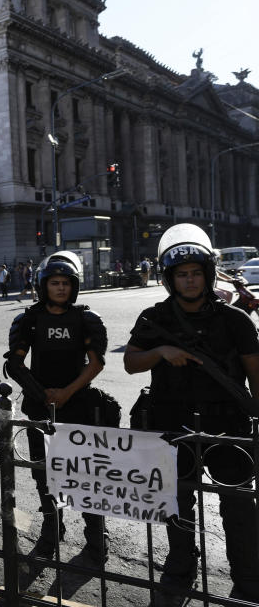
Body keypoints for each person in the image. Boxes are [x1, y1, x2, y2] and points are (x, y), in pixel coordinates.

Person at [124, 224, 259, 602]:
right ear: (170, 279)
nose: (189, 280)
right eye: (182, 274)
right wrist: (160, 353)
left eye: (195, 273)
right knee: (177, 501)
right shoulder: (155, 318)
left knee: (238, 505)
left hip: (229, 424)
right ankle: (182, 564)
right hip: (173, 424)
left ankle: (247, 576)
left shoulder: (235, 320)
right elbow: (132, 363)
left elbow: (254, 370)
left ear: (207, 274)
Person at [4, 251, 118, 562]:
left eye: (66, 283)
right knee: (45, 476)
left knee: (87, 476)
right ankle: (51, 531)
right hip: (42, 410)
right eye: (54, 282)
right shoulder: (28, 319)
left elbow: (96, 364)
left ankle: (96, 535)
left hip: (79, 407)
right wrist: (43, 394)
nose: (61, 288)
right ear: (43, 285)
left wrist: (67, 393)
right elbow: (14, 364)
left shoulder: (86, 319)